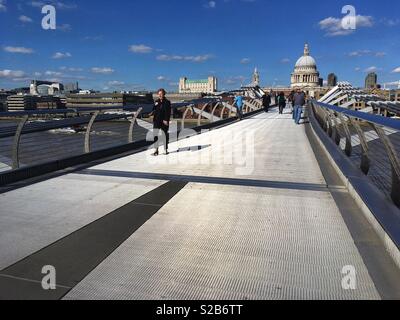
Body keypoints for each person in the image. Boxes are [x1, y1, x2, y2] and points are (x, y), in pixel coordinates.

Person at [151, 88, 172, 156]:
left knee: (164, 135)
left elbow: (168, 112)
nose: (160, 95)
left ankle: (165, 150)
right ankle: (156, 150)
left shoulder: (167, 102)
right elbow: (154, 109)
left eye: (161, 94)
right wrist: (151, 113)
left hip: (164, 121)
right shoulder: (156, 101)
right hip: (157, 120)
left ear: (164, 94)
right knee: (155, 135)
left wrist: (166, 120)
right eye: (159, 94)